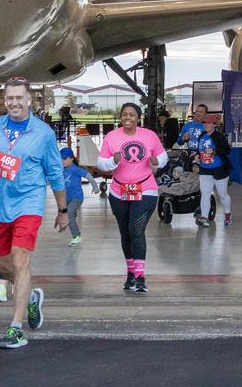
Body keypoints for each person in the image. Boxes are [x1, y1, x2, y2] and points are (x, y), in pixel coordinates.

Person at [0, 77, 68, 349]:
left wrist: (62, 209)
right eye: (10, 98)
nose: (14, 102)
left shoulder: (43, 133)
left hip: (28, 204)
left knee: (21, 262)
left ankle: (16, 327)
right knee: (5, 267)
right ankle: (31, 297)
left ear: (30, 100)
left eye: (19, 97)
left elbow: (55, 174)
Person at [97, 102, 168, 292]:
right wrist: (113, 161)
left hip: (145, 189)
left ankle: (140, 277)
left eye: (132, 115)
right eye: (124, 114)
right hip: (119, 191)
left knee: (136, 230)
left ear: (138, 118)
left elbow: (163, 157)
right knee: (126, 233)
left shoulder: (149, 136)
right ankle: (130, 274)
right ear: (121, 118)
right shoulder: (112, 137)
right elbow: (101, 163)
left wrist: (157, 161)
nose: (128, 117)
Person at [193, 113, 232, 227]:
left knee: (222, 194)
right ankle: (204, 216)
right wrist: (197, 156)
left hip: (219, 169)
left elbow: (227, 150)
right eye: (204, 123)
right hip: (205, 169)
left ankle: (227, 214)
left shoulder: (219, 136)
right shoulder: (202, 135)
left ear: (214, 124)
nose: (206, 125)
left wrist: (214, 152)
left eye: (209, 123)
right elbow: (200, 150)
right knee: (205, 193)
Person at [60, 148, 92, 246]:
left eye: (65, 158)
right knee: (69, 216)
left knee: (69, 213)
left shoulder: (75, 169)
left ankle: (77, 236)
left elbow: (88, 175)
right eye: (61, 159)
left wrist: (95, 187)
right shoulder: (61, 170)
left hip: (77, 197)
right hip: (66, 199)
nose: (62, 161)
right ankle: (76, 235)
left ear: (71, 159)